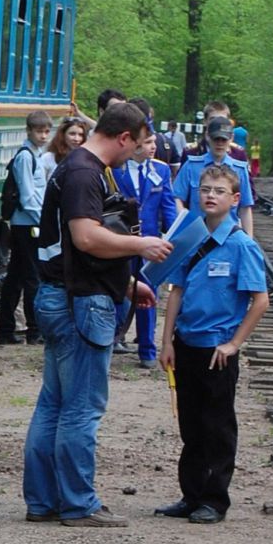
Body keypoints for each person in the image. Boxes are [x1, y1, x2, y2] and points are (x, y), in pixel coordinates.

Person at [22, 102, 171, 526]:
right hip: (79, 303)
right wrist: (142, 246)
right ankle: (77, 503)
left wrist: (126, 284)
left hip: (62, 295)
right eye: (138, 144)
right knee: (81, 408)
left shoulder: (75, 168)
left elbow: (71, 250)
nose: (136, 152)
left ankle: (44, 501)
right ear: (124, 137)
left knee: (54, 403)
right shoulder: (86, 172)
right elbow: (86, 238)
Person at [157, 162, 269, 523]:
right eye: (205, 190)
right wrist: (167, 341)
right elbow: (176, 290)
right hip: (186, 343)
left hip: (217, 349)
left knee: (217, 426)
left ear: (235, 199)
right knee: (190, 424)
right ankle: (190, 495)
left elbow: (260, 300)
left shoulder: (241, 246)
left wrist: (234, 343)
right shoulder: (190, 237)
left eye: (219, 191)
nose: (210, 196)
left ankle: (214, 499)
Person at [113, 124, 177, 367]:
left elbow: (168, 206)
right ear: (135, 143)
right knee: (118, 289)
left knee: (148, 294)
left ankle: (147, 349)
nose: (154, 147)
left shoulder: (160, 170)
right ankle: (114, 337)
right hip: (121, 240)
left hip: (150, 242)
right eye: (149, 142)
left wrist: (171, 238)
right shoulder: (115, 170)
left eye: (154, 143)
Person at [0, 109, 53, 346]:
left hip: (28, 223)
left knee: (16, 278)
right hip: (27, 225)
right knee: (32, 278)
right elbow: (28, 196)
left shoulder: (37, 156)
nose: (43, 136)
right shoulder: (25, 158)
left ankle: (6, 330)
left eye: (47, 131)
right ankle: (34, 330)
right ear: (29, 131)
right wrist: (44, 220)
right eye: (39, 131)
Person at [173, 115, 255, 237]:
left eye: (224, 140)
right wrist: (184, 222)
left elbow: (245, 207)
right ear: (207, 136)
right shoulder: (191, 165)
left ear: (231, 138)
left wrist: (249, 240)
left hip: (228, 235)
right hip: (196, 234)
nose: (220, 144)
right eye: (216, 139)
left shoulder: (240, 170)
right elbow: (177, 197)